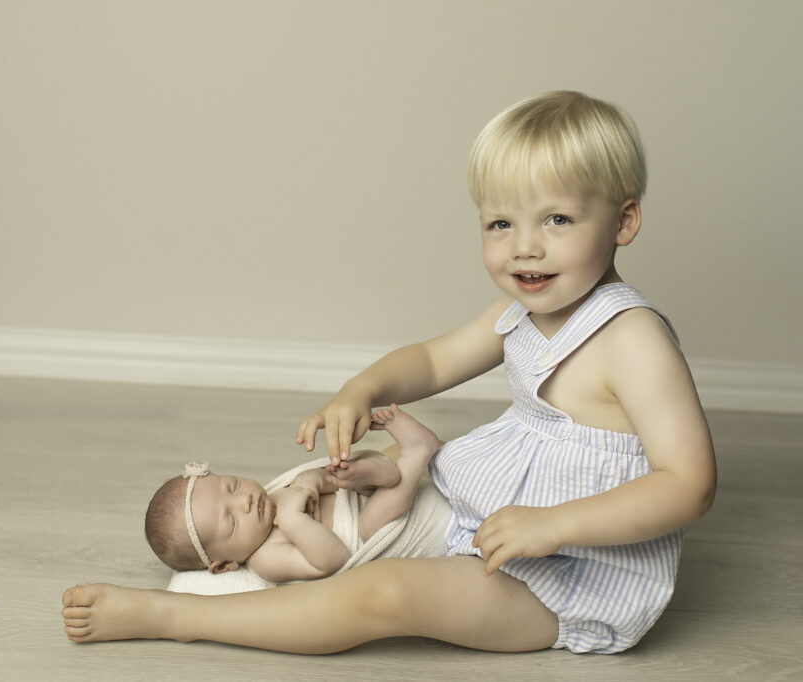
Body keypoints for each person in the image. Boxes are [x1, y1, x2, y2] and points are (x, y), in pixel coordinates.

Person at [61, 90, 716, 655]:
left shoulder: (633, 340)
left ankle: (178, 616)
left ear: (624, 220)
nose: (525, 246)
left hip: (570, 576)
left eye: (557, 219)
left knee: (385, 595)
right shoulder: (521, 310)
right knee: (357, 482)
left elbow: (688, 485)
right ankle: (258, 557)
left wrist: (553, 526)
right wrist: (363, 389)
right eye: (500, 222)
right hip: (488, 518)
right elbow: (431, 360)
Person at [144, 404, 441, 583]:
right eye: (232, 521)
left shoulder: (273, 494)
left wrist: (312, 480)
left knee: (348, 470)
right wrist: (291, 518)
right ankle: (416, 452)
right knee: (372, 520)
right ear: (225, 564)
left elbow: (324, 483)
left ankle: (380, 472)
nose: (244, 502)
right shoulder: (266, 560)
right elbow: (333, 559)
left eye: (232, 486)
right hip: (362, 535)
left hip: (355, 495)